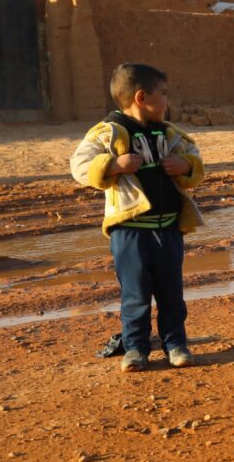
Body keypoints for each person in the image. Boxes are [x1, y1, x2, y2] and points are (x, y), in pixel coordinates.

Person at [71, 63, 205, 372]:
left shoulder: (169, 133)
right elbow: (79, 165)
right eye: (164, 94)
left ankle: (176, 345)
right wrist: (114, 165)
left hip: (169, 229)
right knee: (135, 295)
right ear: (142, 98)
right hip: (130, 232)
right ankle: (135, 349)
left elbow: (195, 156)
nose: (168, 101)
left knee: (172, 294)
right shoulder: (109, 132)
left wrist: (186, 166)